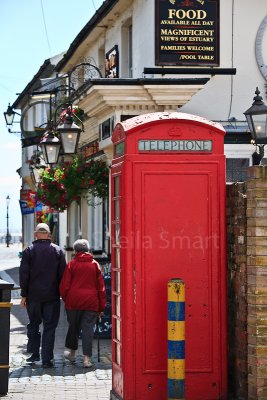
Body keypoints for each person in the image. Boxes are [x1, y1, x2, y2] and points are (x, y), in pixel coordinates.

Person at [19, 223, 66, 368]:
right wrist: (62, 294)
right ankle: (47, 359)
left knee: (33, 324)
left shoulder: (28, 251)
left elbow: (24, 275)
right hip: (52, 296)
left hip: (33, 296)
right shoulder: (58, 251)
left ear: (36, 234)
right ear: (49, 235)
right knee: (50, 327)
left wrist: (24, 295)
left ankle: (34, 355)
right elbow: (63, 275)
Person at [60, 239, 106, 368]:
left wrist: (67, 299)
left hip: (73, 302)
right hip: (91, 302)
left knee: (73, 327)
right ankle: (87, 360)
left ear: (75, 251)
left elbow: (64, 287)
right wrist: (101, 307)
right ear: (88, 250)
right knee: (87, 330)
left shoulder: (71, 264)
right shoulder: (95, 264)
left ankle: (73, 354)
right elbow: (101, 288)